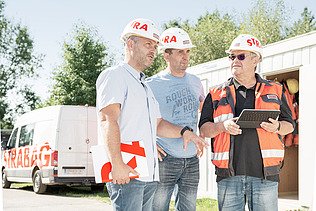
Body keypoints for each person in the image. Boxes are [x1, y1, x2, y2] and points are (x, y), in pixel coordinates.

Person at [96, 18, 207, 211]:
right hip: (127, 169)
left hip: (148, 173)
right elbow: (107, 120)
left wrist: (185, 132)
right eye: (148, 44)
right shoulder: (115, 75)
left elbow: (158, 124)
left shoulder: (143, 85)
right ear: (130, 44)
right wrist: (117, 163)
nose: (153, 51)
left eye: (155, 46)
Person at [198, 34, 295, 211]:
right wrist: (222, 126)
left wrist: (278, 127)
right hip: (228, 178)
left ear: (255, 59)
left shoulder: (275, 90)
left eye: (240, 56)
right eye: (232, 56)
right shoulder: (215, 93)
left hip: (265, 177)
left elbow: (290, 124)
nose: (235, 60)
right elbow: (204, 130)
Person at [146, 27, 205, 211]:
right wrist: (148, 142)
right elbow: (138, 118)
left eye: (187, 51)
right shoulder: (151, 84)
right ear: (166, 55)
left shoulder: (196, 82)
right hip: (165, 159)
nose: (185, 56)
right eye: (180, 52)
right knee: (157, 208)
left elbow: (205, 114)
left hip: (192, 159)